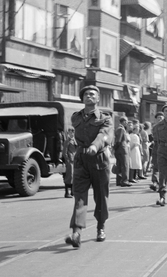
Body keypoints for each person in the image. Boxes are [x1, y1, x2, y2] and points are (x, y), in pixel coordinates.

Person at [64, 85, 113, 248]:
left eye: (92, 94)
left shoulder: (106, 118)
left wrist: (94, 146)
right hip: (81, 160)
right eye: (85, 94)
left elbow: (104, 135)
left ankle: (100, 227)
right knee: (79, 197)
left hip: (99, 159)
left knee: (101, 197)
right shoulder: (76, 117)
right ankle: (76, 233)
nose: (89, 96)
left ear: (98, 99)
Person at [114, 117, 132, 187]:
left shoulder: (119, 128)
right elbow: (119, 140)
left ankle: (119, 180)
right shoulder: (121, 129)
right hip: (122, 149)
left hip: (119, 149)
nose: (127, 123)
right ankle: (124, 180)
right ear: (124, 122)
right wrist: (116, 147)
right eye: (126, 121)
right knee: (125, 165)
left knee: (119, 165)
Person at [149, 112, 164, 192]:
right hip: (156, 147)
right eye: (158, 118)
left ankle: (161, 184)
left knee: (163, 168)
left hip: (164, 148)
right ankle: (155, 183)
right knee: (155, 166)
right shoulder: (154, 128)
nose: (159, 119)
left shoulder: (166, 127)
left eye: (161, 118)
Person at [62, 127, 77, 198]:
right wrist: (67, 160)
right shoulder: (67, 141)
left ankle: (72, 192)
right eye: (70, 132)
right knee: (69, 177)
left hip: (74, 160)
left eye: (73, 132)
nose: (72, 133)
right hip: (70, 160)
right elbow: (64, 152)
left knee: (73, 177)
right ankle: (67, 192)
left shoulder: (74, 140)